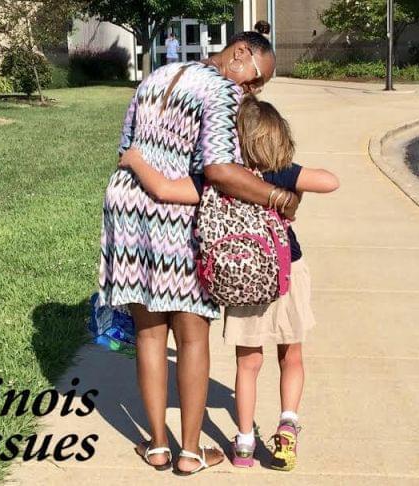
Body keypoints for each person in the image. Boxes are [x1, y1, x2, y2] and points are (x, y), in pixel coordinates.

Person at [98, 31, 298, 475]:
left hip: (129, 210)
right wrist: (276, 197)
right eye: (256, 79)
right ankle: (189, 452)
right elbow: (219, 170)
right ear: (241, 52)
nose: (253, 90)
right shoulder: (224, 92)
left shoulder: (157, 76)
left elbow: (125, 150)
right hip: (180, 215)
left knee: (149, 333)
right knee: (192, 336)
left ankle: (155, 445)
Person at [119, 95, 340, 471]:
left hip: (240, 283)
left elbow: (166, 190)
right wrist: (292, 190)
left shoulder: (216, 178)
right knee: (292, 356)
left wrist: (136, 160)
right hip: (286, 274)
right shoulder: (280, 173)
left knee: (248, 364)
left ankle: (244, 443)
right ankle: (287, 423)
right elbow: (330, 181)